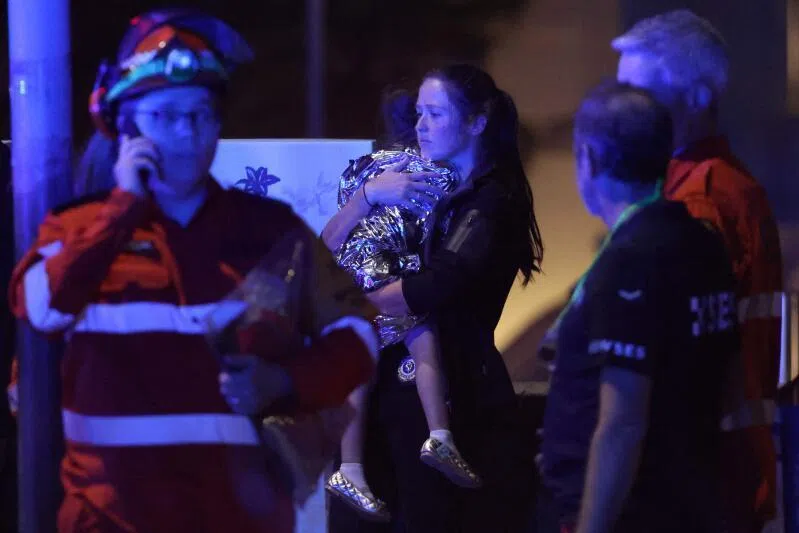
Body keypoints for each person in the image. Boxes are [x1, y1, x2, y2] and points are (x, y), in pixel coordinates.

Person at [8, 9, 377, 533]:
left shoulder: (269, 230)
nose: (186, 132)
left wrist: (285, 380)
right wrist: (123, 209)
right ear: (125, 128)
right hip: (107, 521)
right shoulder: (79, 228)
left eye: (201, 114)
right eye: (165, 116)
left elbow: (358, 334)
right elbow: (40, 308)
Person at [325, 63, 544, 533]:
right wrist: (366, 196)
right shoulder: (407, 179)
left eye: (436, 114)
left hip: (457, 393)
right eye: (419, 113)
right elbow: (330, 247)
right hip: (383, 392)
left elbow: (436, 285)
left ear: (477, 122)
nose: (420, 126)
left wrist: (350, 297)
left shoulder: (491, 200)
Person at [540, 81, 741, 533]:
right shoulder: (703, 243)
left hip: (628, 512)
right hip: (691, 500)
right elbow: (728, 377)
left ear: (588, 158)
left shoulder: (630, 260)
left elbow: (621, 422)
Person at [613, 11, 783, 532]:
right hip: (710, 469)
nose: (623, 113)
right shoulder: (707, 187)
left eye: (640, 95)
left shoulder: (701, 199)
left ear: (699, 95)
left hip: (692, 473)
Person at [325, 146, 480, 521]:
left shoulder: (367, 174)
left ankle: (353, 466)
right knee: (420, 336)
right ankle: (438, 437)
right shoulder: (419, 172)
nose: (428, 126)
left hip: (365, 269)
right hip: (372, 269)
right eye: (425, 115)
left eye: (435, 114)